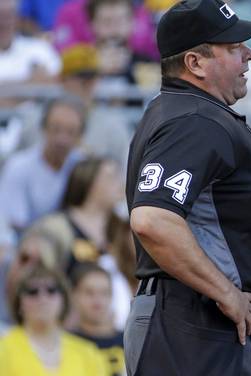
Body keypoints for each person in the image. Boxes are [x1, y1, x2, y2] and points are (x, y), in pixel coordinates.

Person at [124, 0, 251, 375]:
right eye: (233, 48)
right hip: (195, 324)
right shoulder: (194, 120)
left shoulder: (177, 110)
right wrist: (224, 292)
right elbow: (152, 218)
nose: (249, 55)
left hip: (192, 323)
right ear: (195, 63)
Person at [0, 264, 106, 375]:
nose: (42, 298)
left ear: (64, 299)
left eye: (51, 290)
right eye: (32, 291)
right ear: (19, 302)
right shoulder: (3, 349)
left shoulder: (88, 352)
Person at [0, 96, 85, 233]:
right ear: (43, 128)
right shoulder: (18, 167)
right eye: (56, 129)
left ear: (80, 136)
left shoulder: (84, 168)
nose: (62, 139)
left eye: (71, 132)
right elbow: (13, 224)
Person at [71, 263, 125, 376]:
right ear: (74, 295)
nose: (97, 300)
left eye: (104, 293)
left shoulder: (130, 342)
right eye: (89, 293)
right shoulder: (64, 343)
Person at [0, 0, 60, 83]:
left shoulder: (39, 49)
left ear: (18, 18)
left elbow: (58, 82)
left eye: (8, 16)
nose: (3, 22)